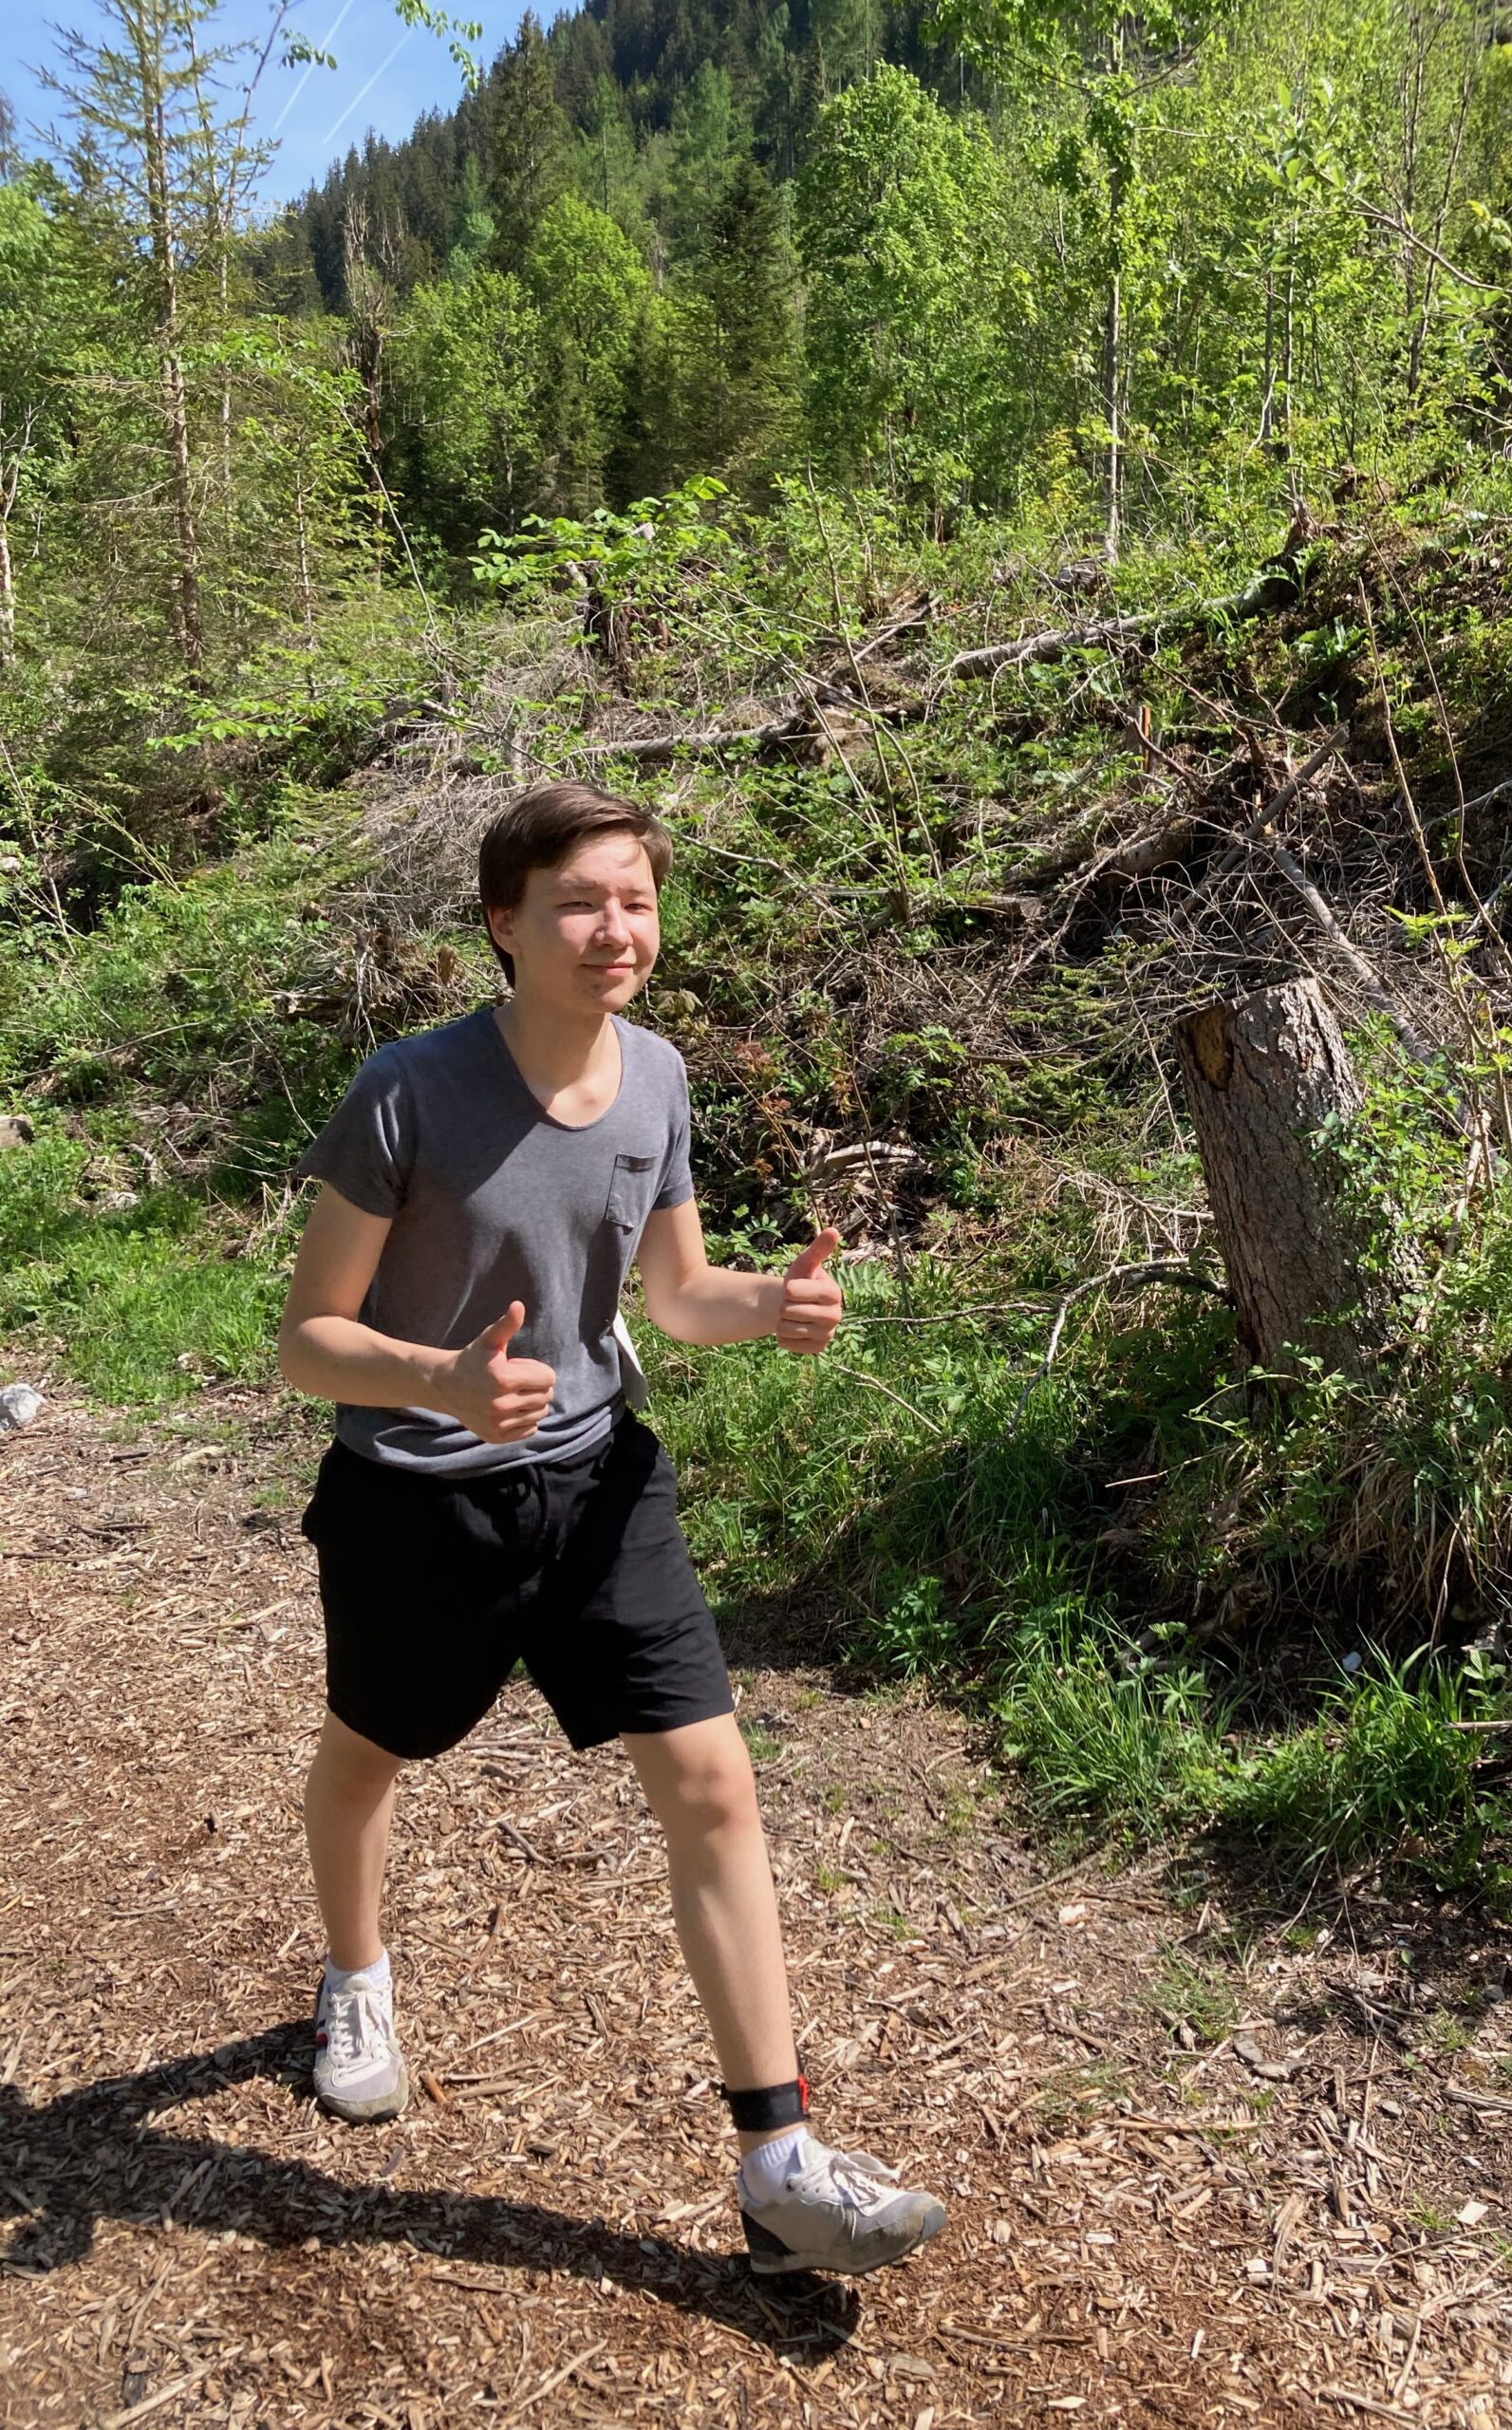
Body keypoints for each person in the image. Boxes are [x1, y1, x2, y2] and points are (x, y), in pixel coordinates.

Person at [276, 782, 945, 2278]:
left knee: (712, 1780)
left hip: (598, 1485)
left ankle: (779, 2165)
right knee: (370, 1752)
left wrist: (771, 1306)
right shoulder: (408, 1089)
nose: (614, 929)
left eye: (636, 900)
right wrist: (443, 1380)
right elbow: (307, 1339)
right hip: (416, 1499)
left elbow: (676, 1297)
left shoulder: (657, 1079)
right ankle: (356, 1976)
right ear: (504, 924)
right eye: (579, 902)